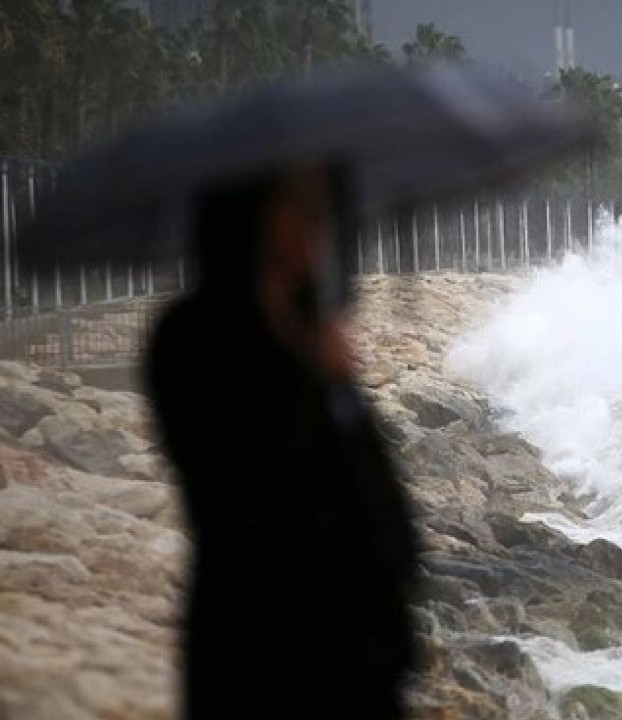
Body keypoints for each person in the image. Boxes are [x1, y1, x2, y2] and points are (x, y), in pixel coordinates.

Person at [146, 165, 418, 720]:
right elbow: (241, 478)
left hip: (356, 646)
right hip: (260, 637)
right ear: (249, 216)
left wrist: (337, 378)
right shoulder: (192, 337)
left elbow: (367, 481)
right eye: (297, 208)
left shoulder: (309, 321)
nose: (314, 226)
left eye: (319, 210)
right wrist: (318, 374)